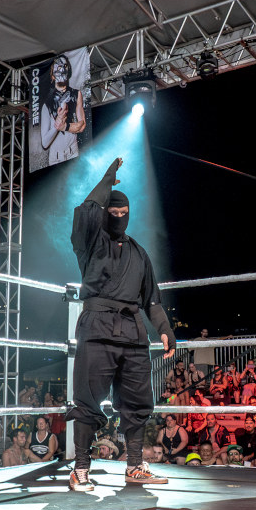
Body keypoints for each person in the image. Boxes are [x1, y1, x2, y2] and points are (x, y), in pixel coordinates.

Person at [65, 157, 176, 492]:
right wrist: (107, 180)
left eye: (123, 212)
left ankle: (134, 466)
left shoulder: (140, 254)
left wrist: (165, 330)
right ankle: (80, 468)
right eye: (111, 212)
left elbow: (152, 300)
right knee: (88, 399)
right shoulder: (90, 241)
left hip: (133, 333)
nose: (117, 216)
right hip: (97, 327)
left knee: (137, 402)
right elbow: (86, 210)